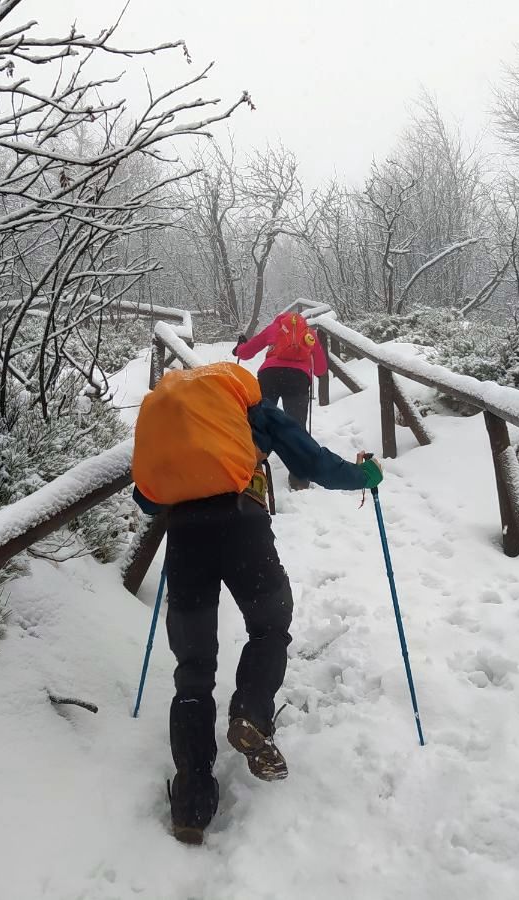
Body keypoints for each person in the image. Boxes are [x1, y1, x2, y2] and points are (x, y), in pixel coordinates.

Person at [132, 361, 383, 846]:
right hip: (243, 527)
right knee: (270, 626)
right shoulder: (249, 406)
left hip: (185, 540)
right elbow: (309, 462)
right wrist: (365, 475)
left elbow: (146, 497)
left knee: (193, 668)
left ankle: (191, 802)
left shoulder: (169, 421)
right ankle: (250, 711)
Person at [234, 311, 328, 489]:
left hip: (269, 375)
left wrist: (239, 348)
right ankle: (299, 479)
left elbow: (246, 353)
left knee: (259, 423)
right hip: (298, 378)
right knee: (297, 426)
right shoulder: (309, 333)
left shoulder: (274, 328)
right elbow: (321, 369)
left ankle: (252, 472)